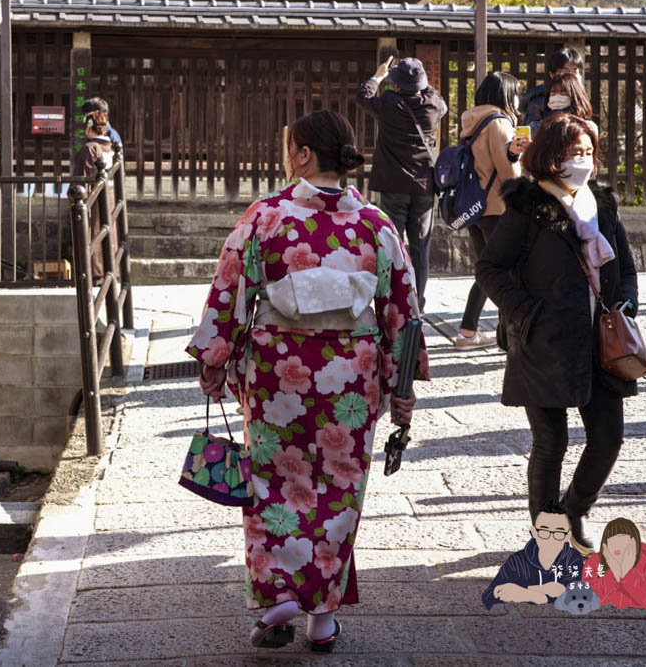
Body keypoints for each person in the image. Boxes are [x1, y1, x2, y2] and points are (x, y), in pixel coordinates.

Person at [187, 111, 428, 652]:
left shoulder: (266, 217)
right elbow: (402, 310)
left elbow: (230, 286)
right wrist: (402, 381)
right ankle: (323, 618)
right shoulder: (376, 224)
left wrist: (215, 357)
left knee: (274, 483)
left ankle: (279, 600)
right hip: (352, 376)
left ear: (300, 154)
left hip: (279, 374)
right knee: (340, 488)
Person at [477, 113, 638, 550]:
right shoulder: (528, 205)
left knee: (608, 438)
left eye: (587, 152)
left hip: (600, 340)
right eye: (573, 153)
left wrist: (627, 301)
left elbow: (624, 262)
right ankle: (547, 535)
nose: (582, 162)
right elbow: (489, 267)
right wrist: (524, 312)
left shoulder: (601, 201)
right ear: (551, 156)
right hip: (543, 340)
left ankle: (577, 508)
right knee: (551, 442)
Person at [356, 56, 447, 309]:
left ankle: (393, 300)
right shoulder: (434, 105)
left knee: (392, 246)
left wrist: (379, 76)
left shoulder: (388, 103)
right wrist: (420, 82)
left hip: (393, 185)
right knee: (420, 249)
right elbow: (434, 95)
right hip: (424, 187)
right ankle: (418, 302)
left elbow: (363, 95)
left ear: (396, 84)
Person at [454, 72, 529, 348]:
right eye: (516, 92)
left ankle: (468, 330)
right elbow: (508, 172)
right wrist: (518, 156)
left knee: (488, 269)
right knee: (506, 272)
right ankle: (507, 336)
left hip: (474, 208)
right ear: (507, 94)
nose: (519, 98)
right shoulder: (499, 123)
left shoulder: (471, 121)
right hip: (497, 206)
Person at [481, 499, 585, 609]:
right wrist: (534, 593)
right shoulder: (517, 561)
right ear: (534, 532)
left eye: (558, 533)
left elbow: (577, 596)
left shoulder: (572, 559)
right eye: (544, 532)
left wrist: (529, 593)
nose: (550, 539)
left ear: (567, 536)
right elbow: (488, 596)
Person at [582, 517, 646, 611]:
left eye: (623, 541)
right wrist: (613, 573)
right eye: (612, 541)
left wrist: (629, 572)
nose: (617, 546)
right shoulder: (594, 562)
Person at [72, 110, 117, 280]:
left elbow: (80, 179)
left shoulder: (90, 148)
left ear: (89, 128)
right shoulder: (111, 148)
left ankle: (94, 273)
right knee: (108, 232)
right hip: (110, 195)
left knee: (92, 233)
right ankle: (110, 271)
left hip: (92, 197)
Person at [523, 46, 585, 129]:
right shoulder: (540, 100)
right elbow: (532, 132)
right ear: (552, 74)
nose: (570, 75)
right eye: (564, 71)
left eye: (574, 71)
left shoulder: (580, 97)